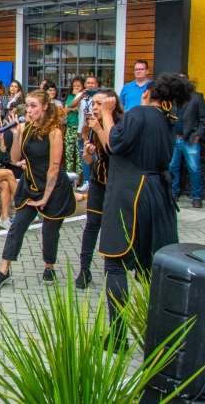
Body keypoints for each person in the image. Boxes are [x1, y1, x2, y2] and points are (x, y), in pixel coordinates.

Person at [96, 73, 194, 338]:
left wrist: (107, 113)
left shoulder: (138, 113)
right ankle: (161, 332)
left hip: (132, 194)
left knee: (115, 263)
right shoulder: (167, 121)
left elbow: (115, 144)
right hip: (158, 195)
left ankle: (117, 337)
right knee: (151, 266)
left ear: (148, 92)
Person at [0, 90, 76, 290]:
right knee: (17, 225)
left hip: (53, 186)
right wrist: (17, 136)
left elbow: (54, 167)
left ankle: (49, 266)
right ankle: (4, 269)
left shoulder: (54, 132)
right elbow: (16, 159)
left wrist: (46, 197)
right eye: (28, 105)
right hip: (30, 183)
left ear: (45, 107)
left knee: (50, 231)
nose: (30, 110)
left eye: (34, 105)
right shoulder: (26, 129)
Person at [73, 90, 123, 289]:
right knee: (92, 223)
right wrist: (88, 153)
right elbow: (88, 161)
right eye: (93, 103)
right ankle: (84, 269)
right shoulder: (93, 126)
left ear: (111, 105)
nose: (94, 107)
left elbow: (115, 152)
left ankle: (115, 268)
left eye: (99, 103)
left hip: (116, 182)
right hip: (98, 180)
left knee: (113, 226)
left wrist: (100, 131)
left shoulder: (119, 125)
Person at [167, 73, 205, 209]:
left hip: (190, 140)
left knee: (194, 169)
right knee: (172, 167)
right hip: (174, 138)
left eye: (182, 80)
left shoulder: (196, 98)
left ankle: (196, 197)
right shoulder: (171, 98)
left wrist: (197, 136)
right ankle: (173, 193)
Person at [64, 77, 85, 188]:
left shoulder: (84, 98)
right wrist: (71, 109)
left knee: (79, 154)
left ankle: (78, 180)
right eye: (75, 85)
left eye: (79, 85)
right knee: (69, 154)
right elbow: (64, 111)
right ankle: (69, 180)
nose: (76, 87)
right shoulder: (70, 97)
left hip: (80, 129)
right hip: (70, 127)